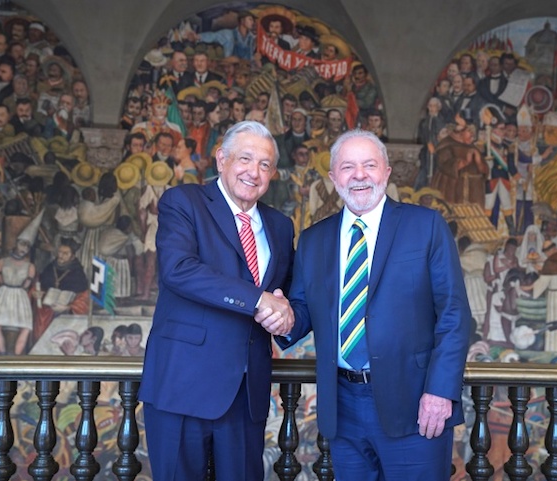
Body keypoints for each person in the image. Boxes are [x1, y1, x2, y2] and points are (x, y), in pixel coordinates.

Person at [259, 129, 471, 480]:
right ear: (333, 177)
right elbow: (303, 309)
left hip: (415, 403)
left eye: (369, 165)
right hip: (342, 407)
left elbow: (454, 314)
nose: (359, 175)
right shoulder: (314, 239)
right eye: (347, 167)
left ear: (386, 172)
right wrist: (281, 317)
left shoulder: (426, 226)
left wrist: (439, 391)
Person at [139, 121, 295, 480]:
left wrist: (289, 318)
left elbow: (287, 295)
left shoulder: (280, 225)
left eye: (265, 164)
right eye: (245, 159)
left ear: (272, 174)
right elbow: (179, 269)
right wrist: (257, 300)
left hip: (246, 394)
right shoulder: (184, 202)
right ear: (222, 159)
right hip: (183, 385)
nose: (254, 172)